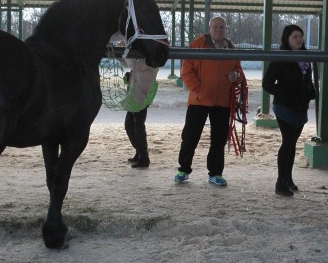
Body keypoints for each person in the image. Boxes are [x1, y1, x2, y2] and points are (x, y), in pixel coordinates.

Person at [175, 16, 245, 186]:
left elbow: (239, 73)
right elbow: (186, 70)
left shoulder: (232, 49)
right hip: (199, 101)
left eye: (221, 27)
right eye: (215, 27)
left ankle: (215, 173)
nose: (218, 30)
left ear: (226, 29)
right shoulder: (198, 44)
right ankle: (183, 170)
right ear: (209, 28)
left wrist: (236, 76)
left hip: (222, 102)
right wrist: (198, 89)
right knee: (190, 137)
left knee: (219, 140)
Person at [262, 25, 317, 197]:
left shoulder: (305, 58)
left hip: (301, 107)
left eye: (301, 36)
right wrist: (287, 94)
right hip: (284, 107)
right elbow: (267, 83)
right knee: (288, 143)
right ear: (287, 39)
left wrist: (311, 90)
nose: (299, 39)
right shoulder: (281, 58)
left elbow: (307, 80)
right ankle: (280, 182)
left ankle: (288, 178)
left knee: (292, 143)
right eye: (295, 36)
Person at [122, 57, 159, 169]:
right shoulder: (141, 58)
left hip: (141, 96)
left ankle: (144, 157)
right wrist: (121, 55)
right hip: (135, 95)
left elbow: (135, 66)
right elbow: (128, 63)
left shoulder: (152, 59)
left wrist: (126, 53)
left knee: (138, 127)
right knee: (130, 125)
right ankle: (140, 153)